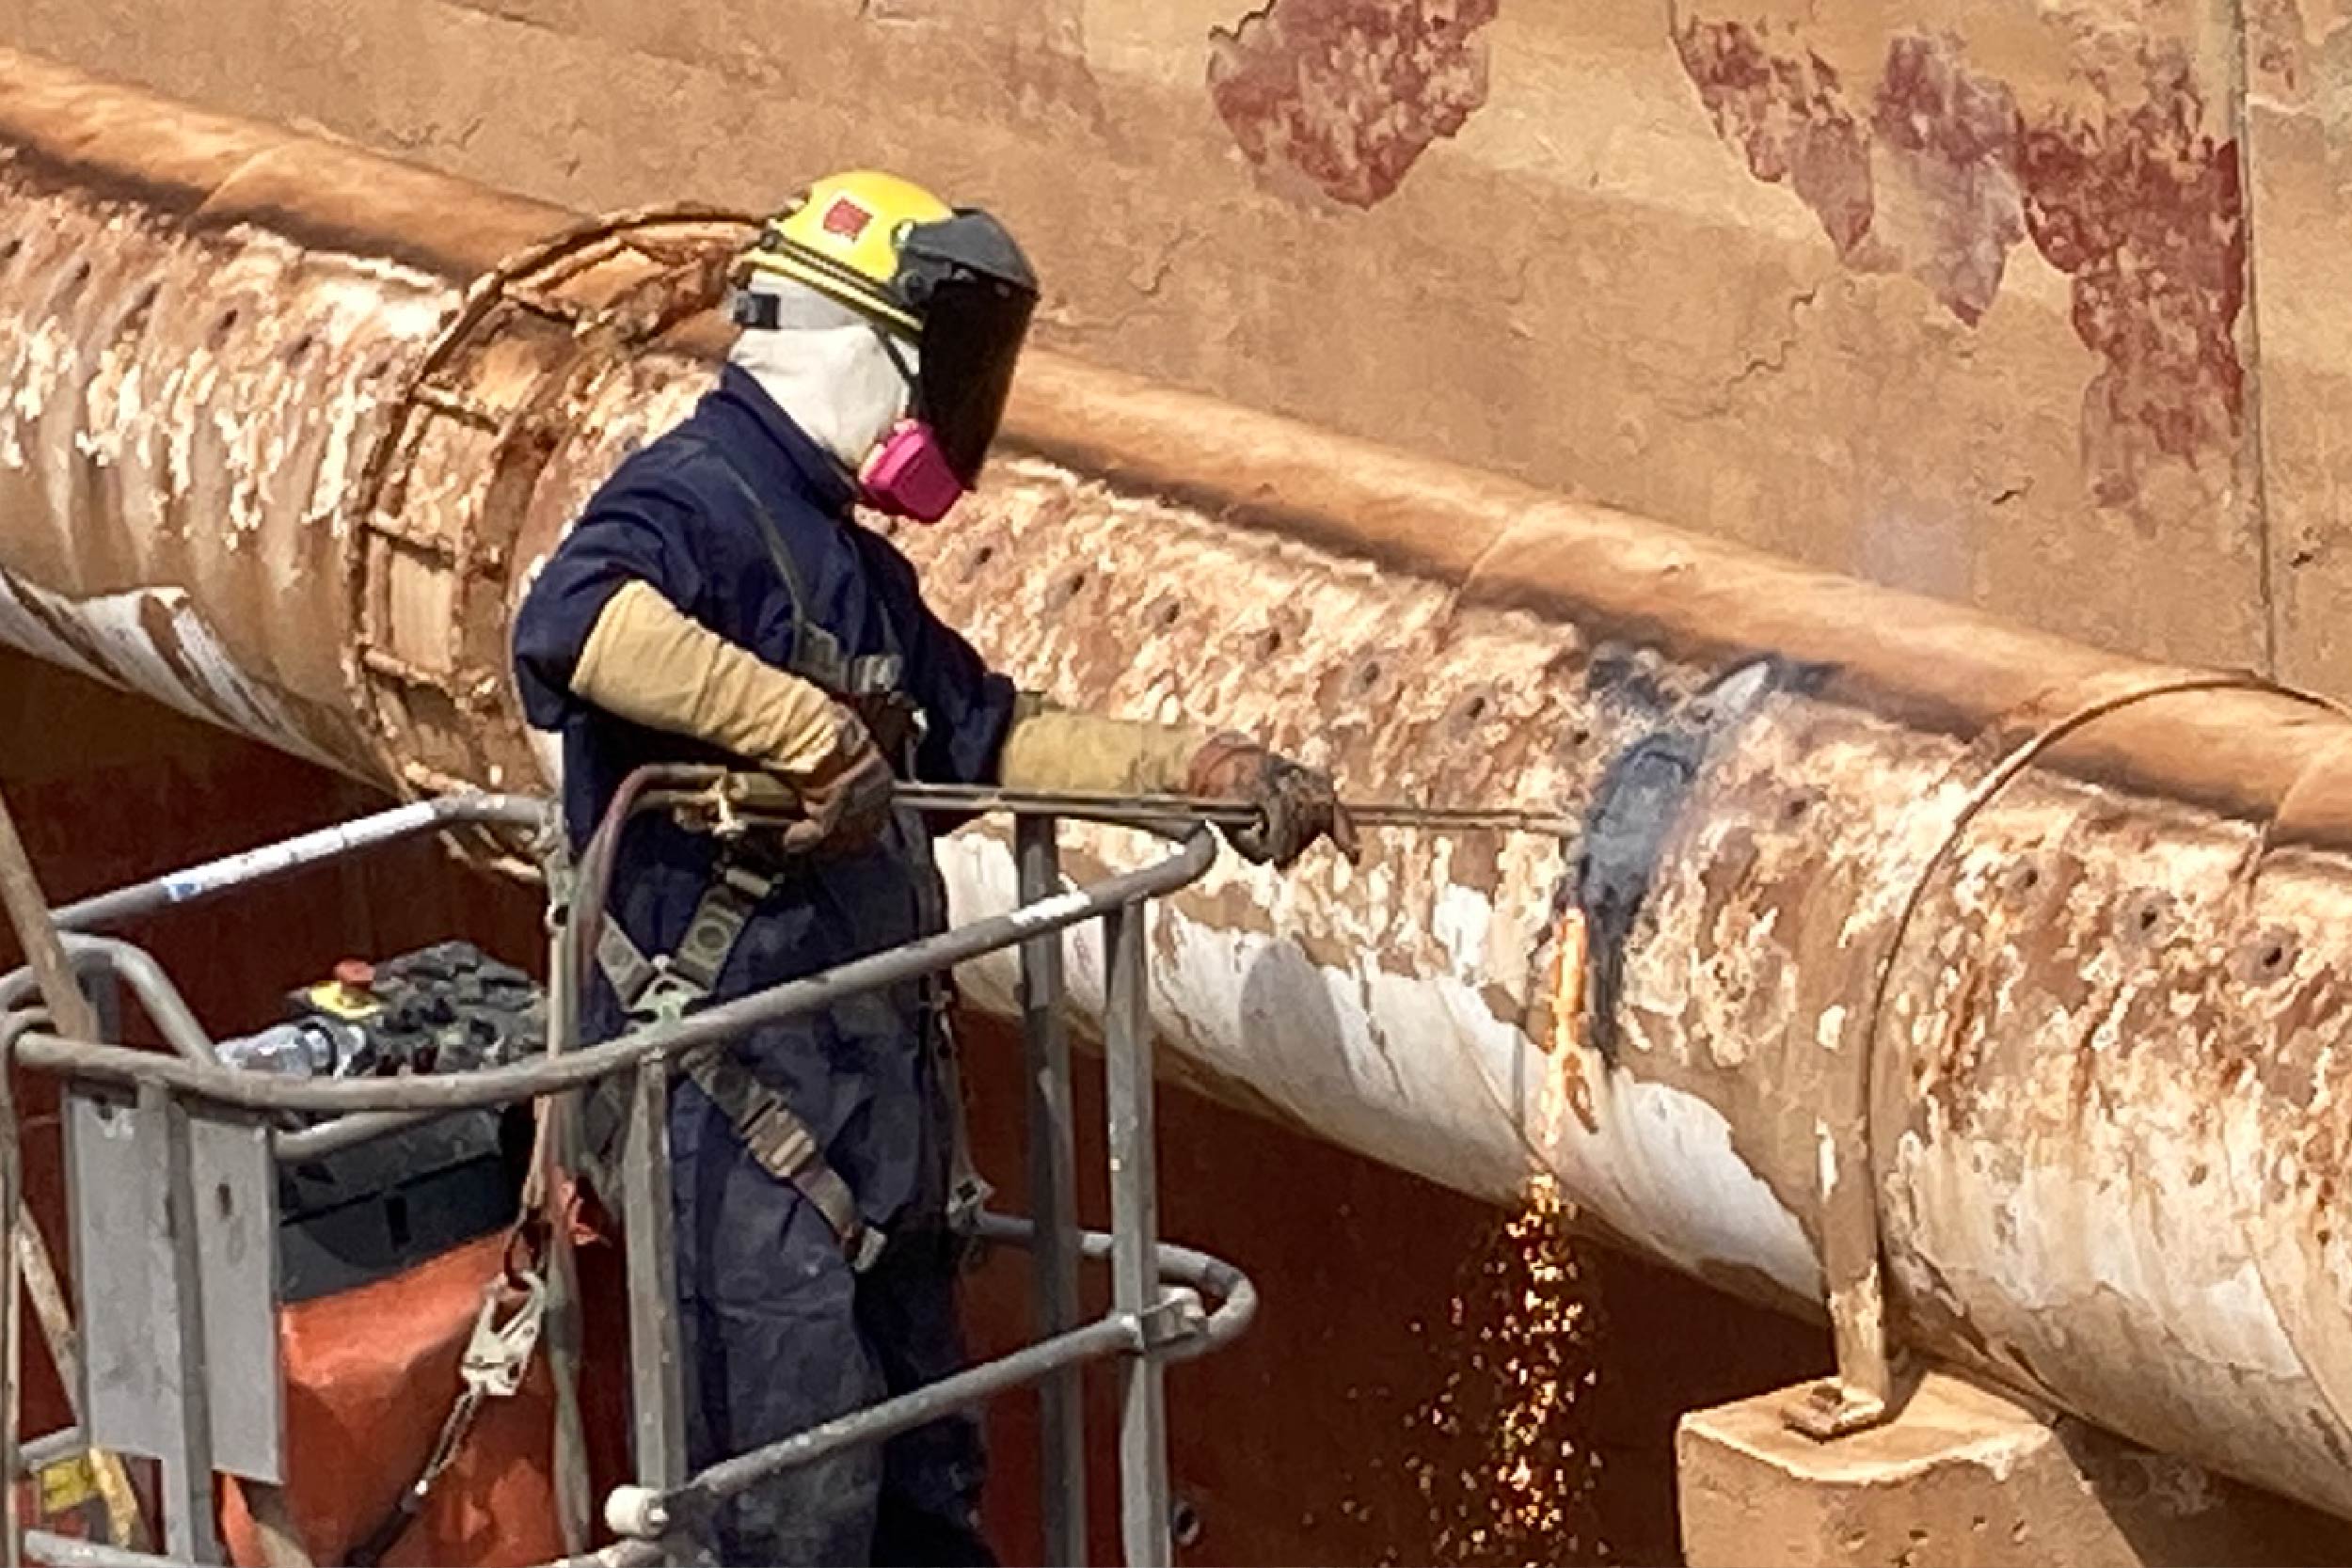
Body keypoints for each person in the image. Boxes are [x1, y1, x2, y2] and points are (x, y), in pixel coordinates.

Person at [511, 170, 1355, 1566]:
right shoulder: (698, 497)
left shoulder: (850, 565)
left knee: (920, 1483)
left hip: (861, 1112)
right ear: (855, 347)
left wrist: (1196, 771)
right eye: (940, 368)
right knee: (791, 1507)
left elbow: (990, 735)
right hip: (727, 1123)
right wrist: (795, 727)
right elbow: (573, 622)